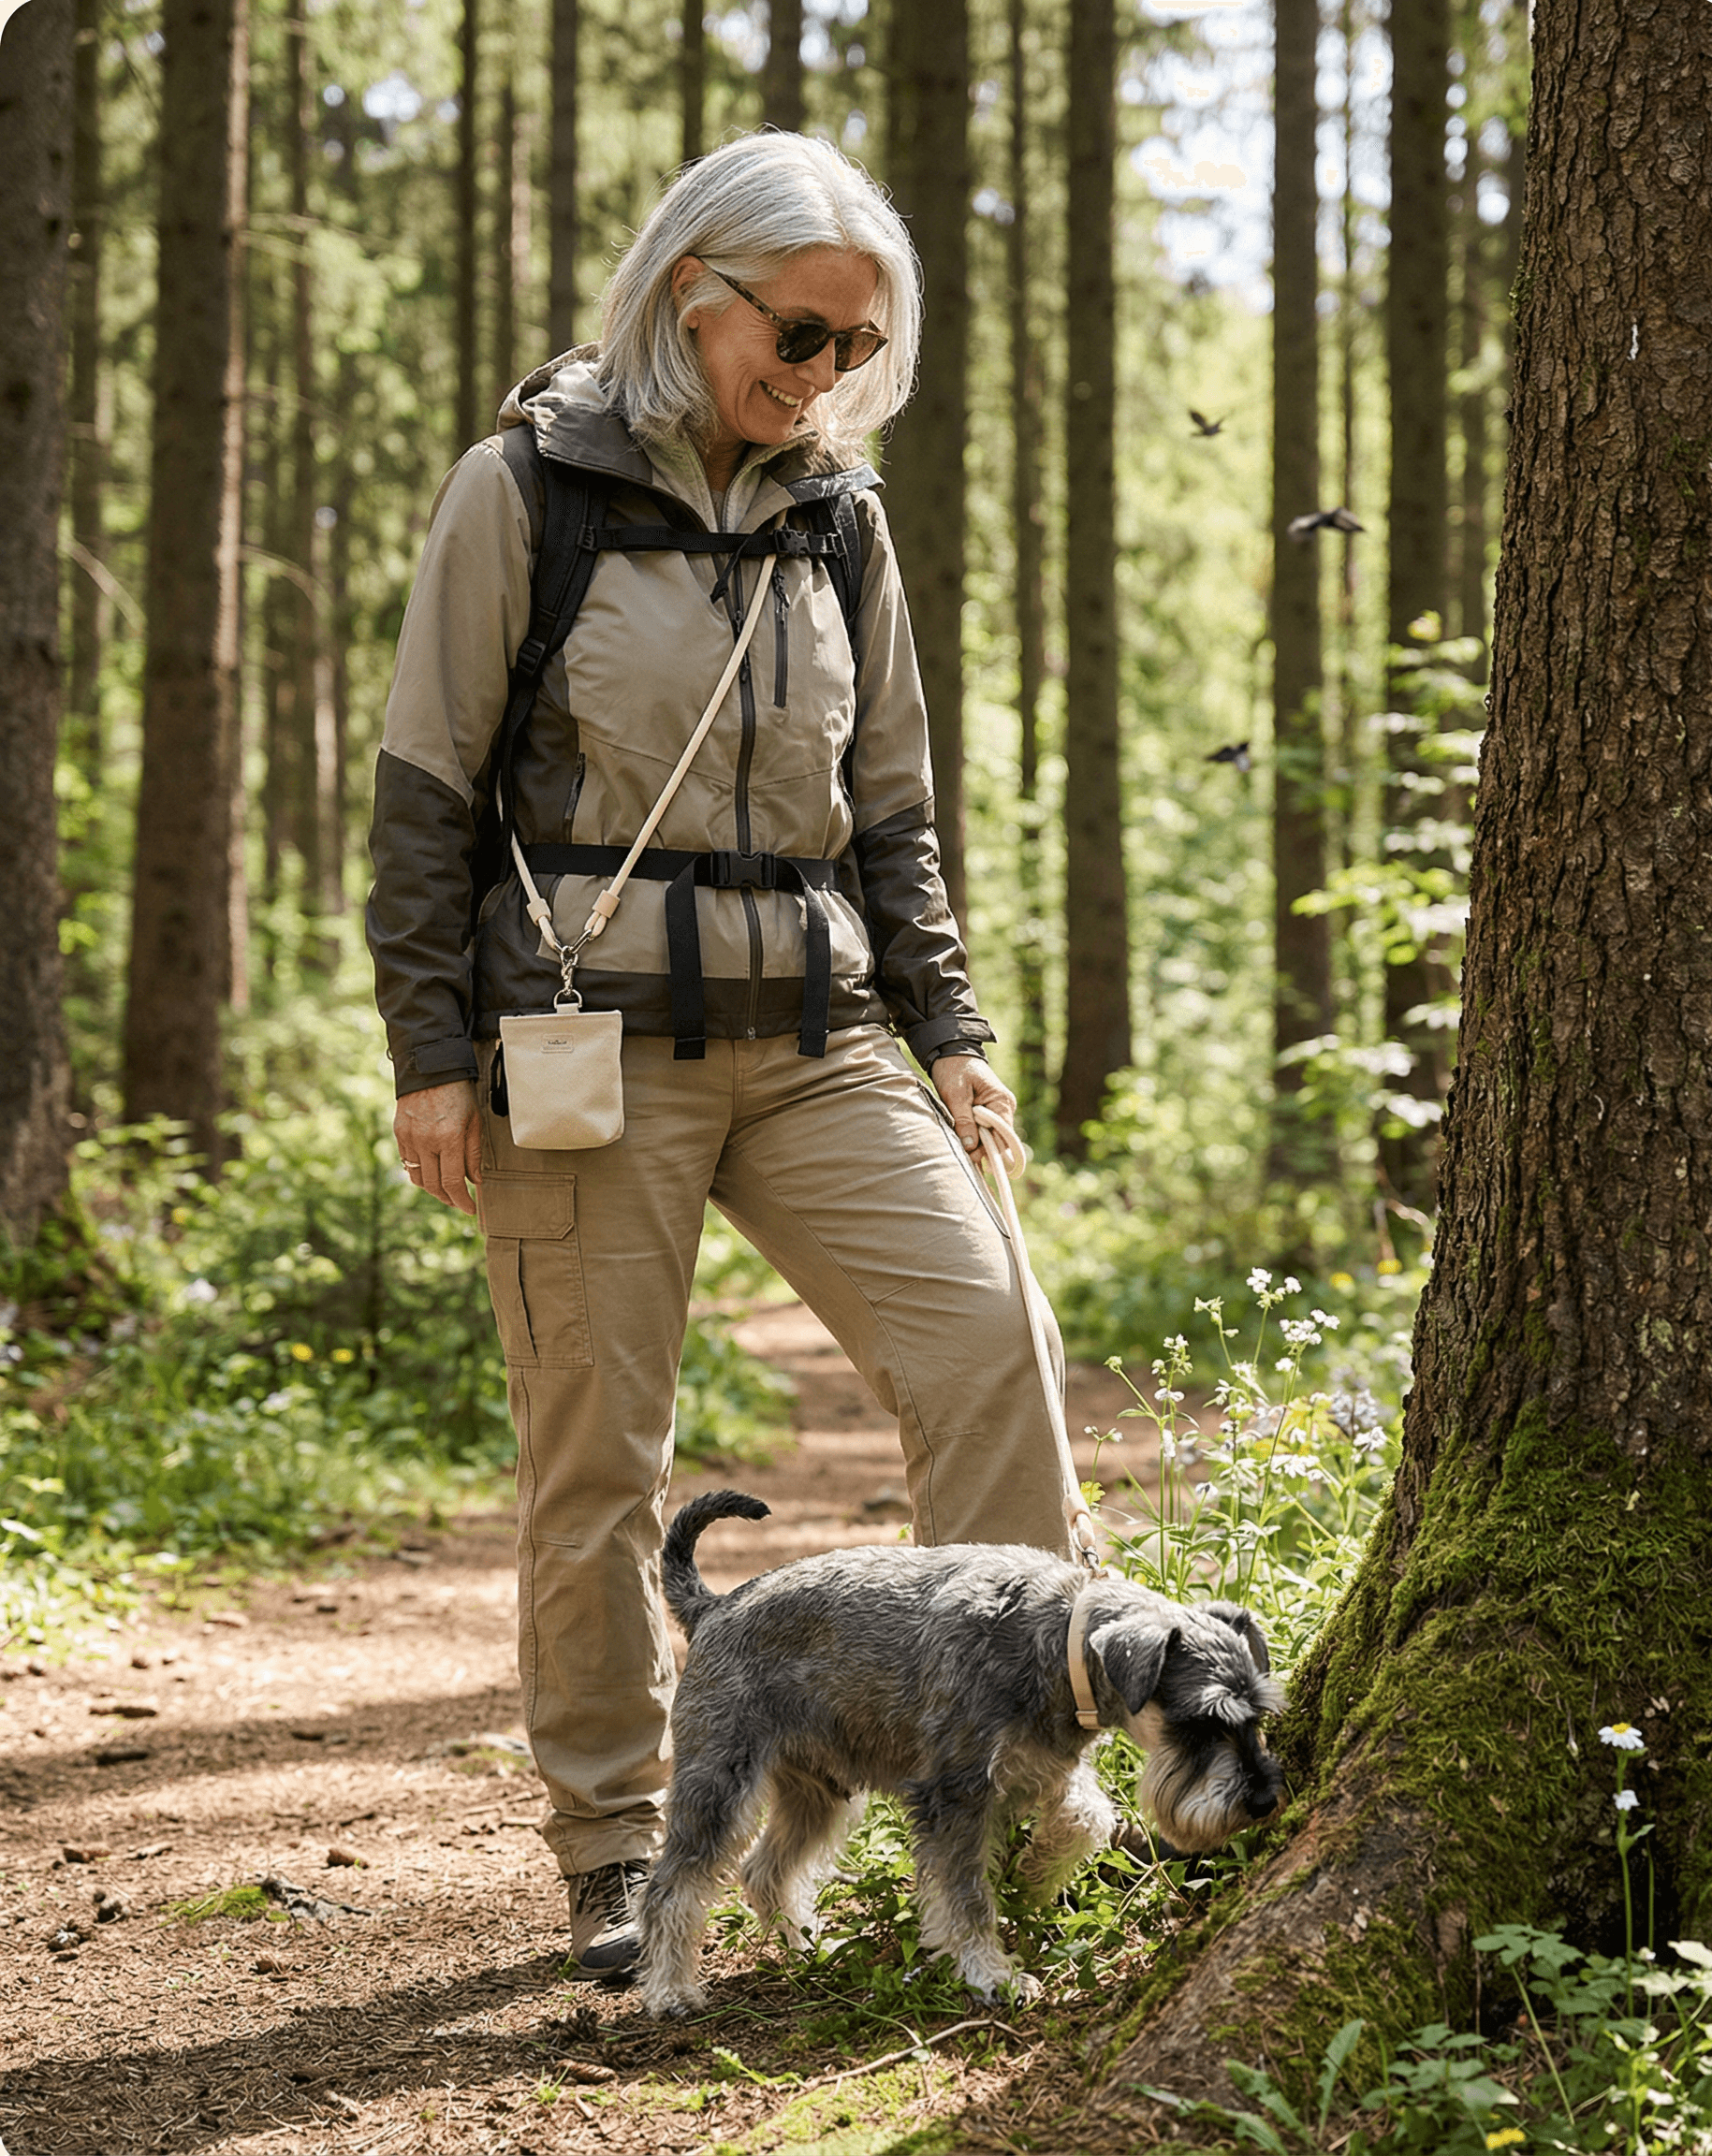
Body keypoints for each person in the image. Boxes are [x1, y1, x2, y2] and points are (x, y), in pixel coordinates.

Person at [367, 129, 1073, 1982]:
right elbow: (426, 789)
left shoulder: (841, 518)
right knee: (597, 1463)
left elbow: (894, 809)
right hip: (585, 1046)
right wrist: (429, 1051)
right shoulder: (522, 491)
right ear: (695, 292)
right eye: (804, 331)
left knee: (990, 1333)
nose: (830, 372)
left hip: (820, 1034)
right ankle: (611, 1845)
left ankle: (1005, 1778)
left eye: (859, 345)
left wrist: (954, 1033)